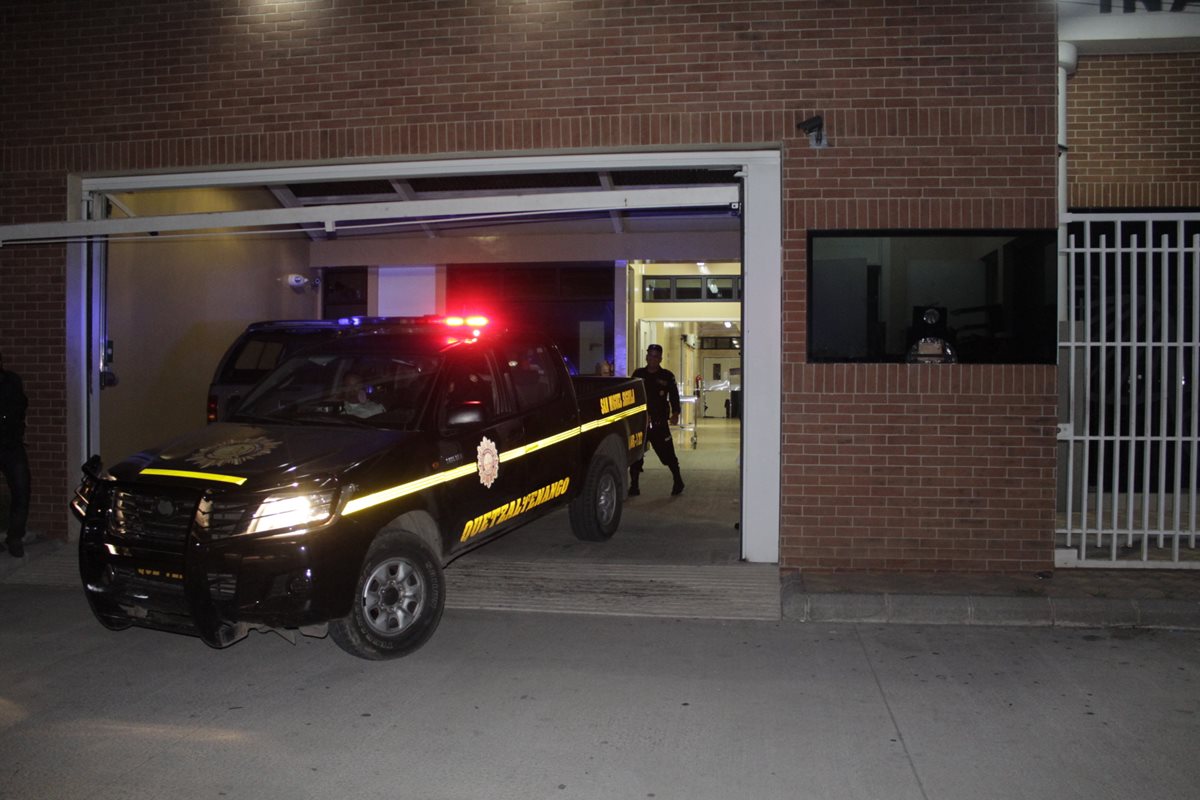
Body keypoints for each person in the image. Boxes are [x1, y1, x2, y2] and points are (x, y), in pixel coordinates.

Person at [629, 343, 684, 496]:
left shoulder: (667, 376)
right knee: (636, 455)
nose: (652, 359)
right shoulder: (638, 374)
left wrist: (676, 413)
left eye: (655, 356)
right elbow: (632, 396)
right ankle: (634, 486)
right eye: (649, 355)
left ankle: (678, 481)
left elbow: (674, 396)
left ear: (660, 359)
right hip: (641, 423)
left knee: (668, 455)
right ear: (646, 357)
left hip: (659, 423)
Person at [0, 350, 30, 558]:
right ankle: (14, 537)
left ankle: (15, 536)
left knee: (22, 488)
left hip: (11, 443)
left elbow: (21, 405)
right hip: (10, 442)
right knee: (20, 488)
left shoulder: (11, 381)